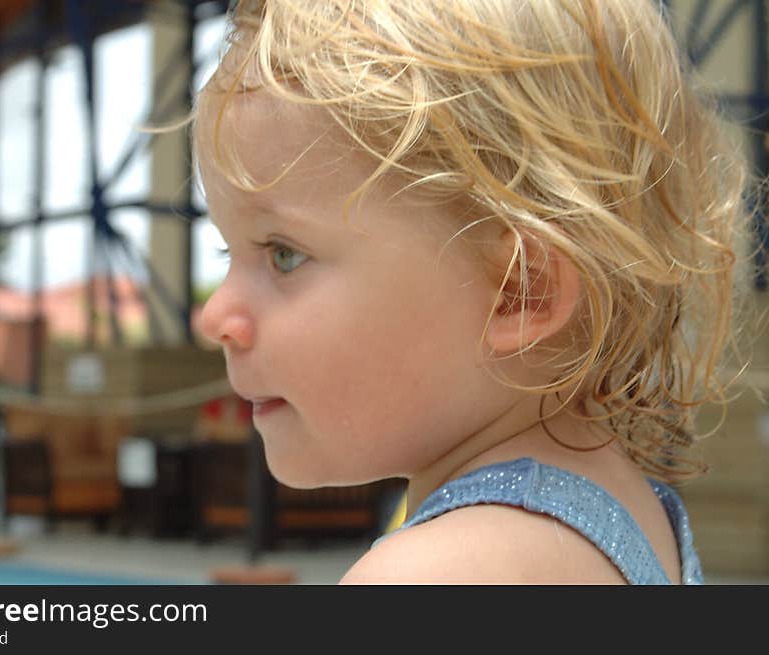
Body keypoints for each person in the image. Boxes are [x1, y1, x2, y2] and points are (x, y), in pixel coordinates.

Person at [189, 0, 756, 584]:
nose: (215, 316)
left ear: (519, 293)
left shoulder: (437, 575)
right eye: (229, 253)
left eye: (284, 254)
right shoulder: (633, 514)